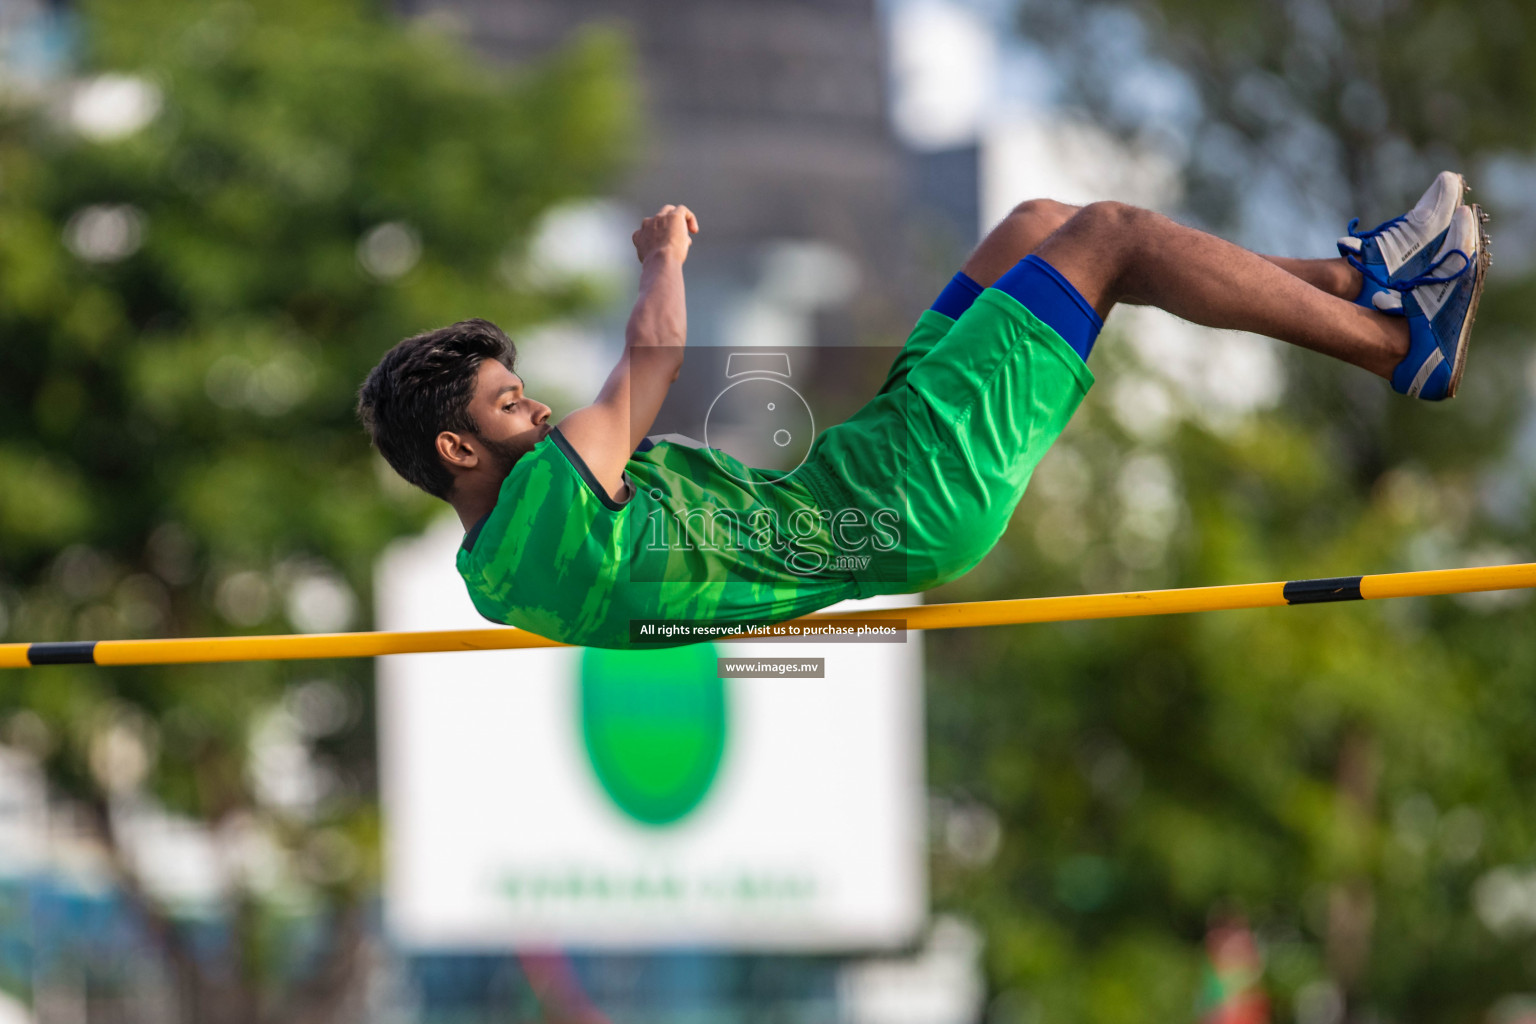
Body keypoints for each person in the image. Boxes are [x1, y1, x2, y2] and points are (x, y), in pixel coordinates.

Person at [356, 173, 1488, 649]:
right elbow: (653, 355)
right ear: (460, 448)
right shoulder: (544, 507)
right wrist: (663, 257)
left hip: (871, 477)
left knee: (1037, 226)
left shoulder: (496, 577)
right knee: (1112, 238)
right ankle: (1400, 343)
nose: (540, 406)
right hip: (908, 490)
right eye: (511, 401)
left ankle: (1359, 280)